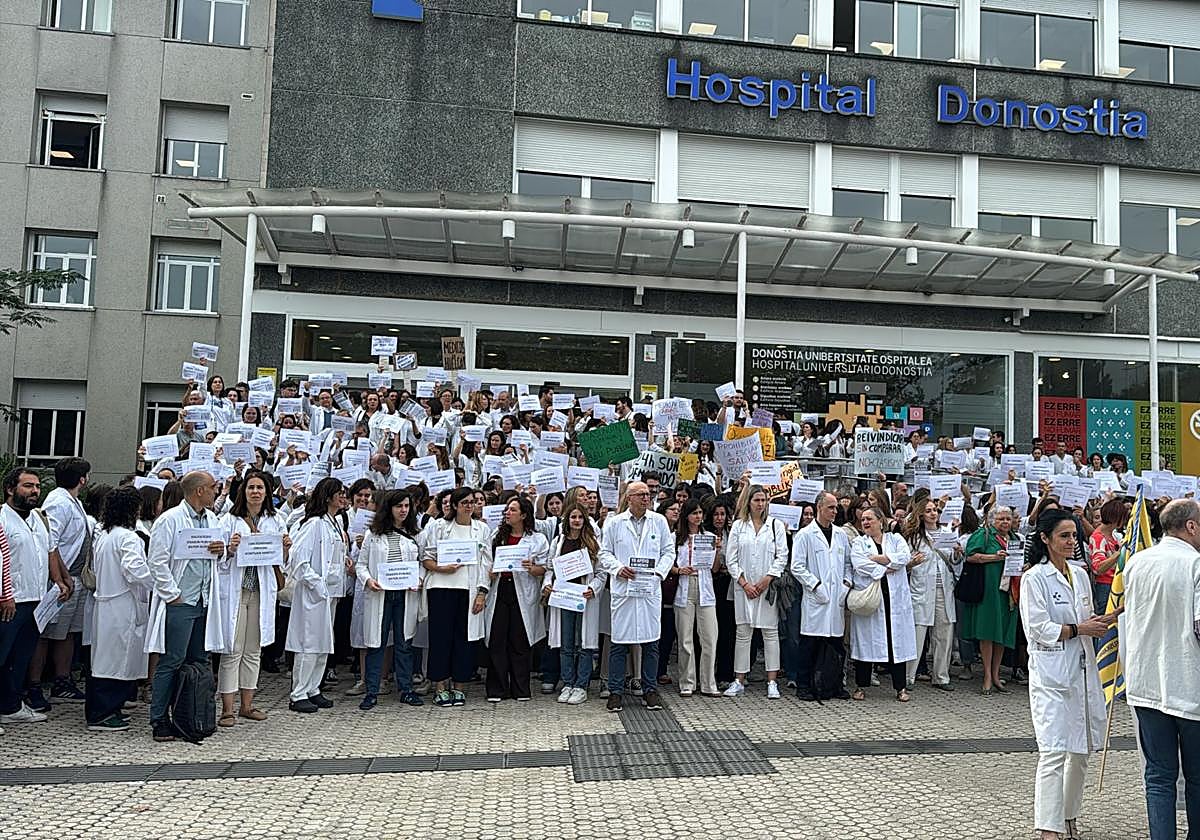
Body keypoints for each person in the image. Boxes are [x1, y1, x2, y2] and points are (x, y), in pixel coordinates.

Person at [1019, 509, 1113, 840]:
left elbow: (1086, 617)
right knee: (1054, 750)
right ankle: (1048, 826)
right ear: (1045, 539)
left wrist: (1104, 620)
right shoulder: (1034, 578)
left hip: (1083, 672)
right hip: (1052, 676)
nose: (1072, 541)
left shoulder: (1080, 574)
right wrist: (1079, 629)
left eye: (1075, 535)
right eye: (1065, 536)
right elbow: (1038, 628)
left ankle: (1069, 816)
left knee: (1081, 750)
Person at [1122, 498, 1200, 840]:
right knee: (1197, 778)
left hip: (1146, 684)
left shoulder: (1136, 562)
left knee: (1158, 776)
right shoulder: (1195, 564)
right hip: (1189, 684)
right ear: (1191, 526)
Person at [145, 470, 226, 742]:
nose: (216, 491)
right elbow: (157, 561)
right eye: (213, 487)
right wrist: (173, 595)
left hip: (203, 600)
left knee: (199, 660)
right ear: (199, 490)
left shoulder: (212, 519)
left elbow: (218, 557)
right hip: (181, 601)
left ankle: (190, 715)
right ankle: (159, 718)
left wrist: (221, 551)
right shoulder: (170, 520)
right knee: (172, 660)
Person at [88, 486, 170, 731]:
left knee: (104, 659)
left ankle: (107, 709)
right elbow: (134, 569)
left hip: (107, 603)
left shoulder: (106, 535)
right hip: (122, 604)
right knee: (116, 660)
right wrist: (158, 582)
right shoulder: (128, 537)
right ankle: (102, 714)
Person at [218, 470, 290, 725]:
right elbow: (218, 556)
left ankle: (247, 706)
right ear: (243, 491)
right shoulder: (229, 519)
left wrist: (285, 548)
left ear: (267, 492)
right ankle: (227, 709)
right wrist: (230, 549)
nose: (256, 492)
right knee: (233, 649)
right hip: (237, 591)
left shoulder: (276, 520)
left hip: (261, 591)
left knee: (253, 650)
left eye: (260, 488)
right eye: (251, 487)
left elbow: (282, 561)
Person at [598, 481, 675, 713]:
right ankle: (615, 691)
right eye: (640, 494)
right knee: (619, 642)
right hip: (624, 589)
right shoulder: (615, 522)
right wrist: (618, 568)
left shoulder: (658, 521)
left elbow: (668, 551)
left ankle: (650, 690)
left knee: (651, 642)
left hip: (649, 588)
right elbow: (604, 552)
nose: (646, 498)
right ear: (629, 498)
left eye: (648, 494)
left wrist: (658, 573)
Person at [420, 487, 492, 708]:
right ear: (454, 505)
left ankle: (459, 686)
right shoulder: (439, 526)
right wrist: (443, 568)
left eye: (472, 502)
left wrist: (482, 593)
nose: (469, 506)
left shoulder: (482, 529)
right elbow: (426, 558)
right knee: (440, 639)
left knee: (464, 640)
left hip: (468, 591)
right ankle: (440, 687)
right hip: (441, 589)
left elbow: (486, 563)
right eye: (464, 503)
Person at [31, 457, 93, 707]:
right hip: (61, 579)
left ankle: (62, 681)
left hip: (75, 578)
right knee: (47, 633)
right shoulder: (58, 501)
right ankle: (34, 685)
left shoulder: (73, 501)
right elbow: (51, 542)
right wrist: (61, 577)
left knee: (67, 632)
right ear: (82, 479)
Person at [355, 489, 425, 710]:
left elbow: (423, 563)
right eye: (398, 506)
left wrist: (419, 579)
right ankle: (372, 691)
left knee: (404, 643)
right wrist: (368, 580)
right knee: (377, 643)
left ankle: (406, 690)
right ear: (389, 508)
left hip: (405, 594)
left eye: (406, 506)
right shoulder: (373, 534)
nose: (403, 510)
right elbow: (361, 565)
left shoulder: (415, 534)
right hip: (380, 595)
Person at [285, 478, 349, 713]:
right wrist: (316, 584)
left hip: (331, 592)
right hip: (314, 593)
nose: (343, 497)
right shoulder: (313, 523)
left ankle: (313, 688)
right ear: (327, 496)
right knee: (308, 642)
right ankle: (298, 693)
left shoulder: (335, 522)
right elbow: (298, 559)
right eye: (339, 493)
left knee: (323, 643)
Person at [723, 483, 788, 700]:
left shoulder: (775, 525)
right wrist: (744, 583)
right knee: (743, 633)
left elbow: (782, 556)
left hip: (767, 588)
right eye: (756, 500)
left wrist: (768, 578)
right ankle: (739, 680)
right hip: (744, 588)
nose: (760, 504)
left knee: (770, 633)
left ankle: (772, 681)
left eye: (763, 500)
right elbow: (731, 558)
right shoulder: (738, 526)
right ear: (748, 502)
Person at [0, 469, 52, 728]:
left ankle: (11, 706)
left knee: (20, 658)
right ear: (10, 489)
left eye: (37, 486)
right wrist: (4, 595)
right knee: (2, 656)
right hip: (10, 602)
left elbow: (49, 552)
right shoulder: (2, 519)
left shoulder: (37, 519)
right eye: (28, 486)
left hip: (36, 599)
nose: (35, 491)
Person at [483, 496, 548, 702]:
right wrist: (491, 572)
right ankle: (497, 689)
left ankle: (521, 689)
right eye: (507, 510)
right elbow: (487, 561)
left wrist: (532, 568)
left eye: (512, 510)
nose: (507, 513)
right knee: (497, 639)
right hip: (500, 590)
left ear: (523, 515)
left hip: (523, 592)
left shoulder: (537, 539)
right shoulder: (497, 536)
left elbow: (545, 568)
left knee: (520, 640)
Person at [849, 507, 916, 702]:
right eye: (863, 519)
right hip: (872, 599)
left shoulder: (895, 539)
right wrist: (887, 567)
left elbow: (904, 557)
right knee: (866, 643)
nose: (865, 522)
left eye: (869, 519)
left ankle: (900, 687)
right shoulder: (859, 542)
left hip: (895, 600)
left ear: (880, 521)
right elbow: (859, 564)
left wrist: (880, 559)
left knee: (896, 643)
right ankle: (861, 686)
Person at [790, 491, 852, 701]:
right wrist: (815, 585)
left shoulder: (840, 535)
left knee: (836, 645)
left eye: (836, 508)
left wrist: (846, 584)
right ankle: (804, 685)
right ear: (819, 508)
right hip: (816, 598)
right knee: (810, 644)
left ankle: (834, 684)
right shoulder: (805, 535)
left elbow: (848, 564)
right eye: (830, 507)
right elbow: (797, 567)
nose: (834, 511)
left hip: (836, 598)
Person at [544, 500, 605, 705]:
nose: (577, 520)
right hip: (564, 598)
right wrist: (547, 584)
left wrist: (593, 588)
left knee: (585, 644)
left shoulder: (593, 542)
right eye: (573, 517)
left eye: (580, 517)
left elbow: (601, 573)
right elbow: (549, 569)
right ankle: (568, 683)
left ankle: (581, 685)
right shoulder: (558, 542)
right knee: (566, 643)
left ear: (585, 520)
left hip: (584, 598)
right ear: (567, 520)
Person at [903, 498, 963, 691]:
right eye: (928, 510)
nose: (933, 513)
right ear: (921, 514)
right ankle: (908, 677)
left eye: (935, 510)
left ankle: (941, 676)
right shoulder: (914, 537)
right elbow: (904, 563)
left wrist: (957, 552)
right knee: (918, 634)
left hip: (944, 590)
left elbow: (953, 561)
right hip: (921, 589)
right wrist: (911, 563)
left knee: (944, 633)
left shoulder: (947, 533)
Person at [962, 505, 1019, 695]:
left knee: (1002, 632)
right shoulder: (983, 535)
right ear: (992, 520)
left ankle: (996, 675)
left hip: (1008, 592)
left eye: (1008, 519)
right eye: (1001, 519)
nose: (1005, 522)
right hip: (989, 590)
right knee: (988, 631)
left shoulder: (1015, 539)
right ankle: (986, 675)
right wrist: (994, 557)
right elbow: (970, 556)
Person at [672, 498, 719, 698]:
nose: (698, 517)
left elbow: (715, 568)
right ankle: (687, 682)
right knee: (685, 637)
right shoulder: (676, 537)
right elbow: (668, 564)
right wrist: (679, 570)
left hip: (705, 586)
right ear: (686, 516)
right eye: (694, 513)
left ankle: (708, 683)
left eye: (700, 513)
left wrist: (718, 549)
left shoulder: (708, 537)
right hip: (684, 586)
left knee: (709, 636)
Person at [1088, 498, 1125, 617]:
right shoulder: (1098, 538)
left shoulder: (1112, 535)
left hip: (1114, 583)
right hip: (1105, 585)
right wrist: (1118, 554)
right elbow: (1098, 568)